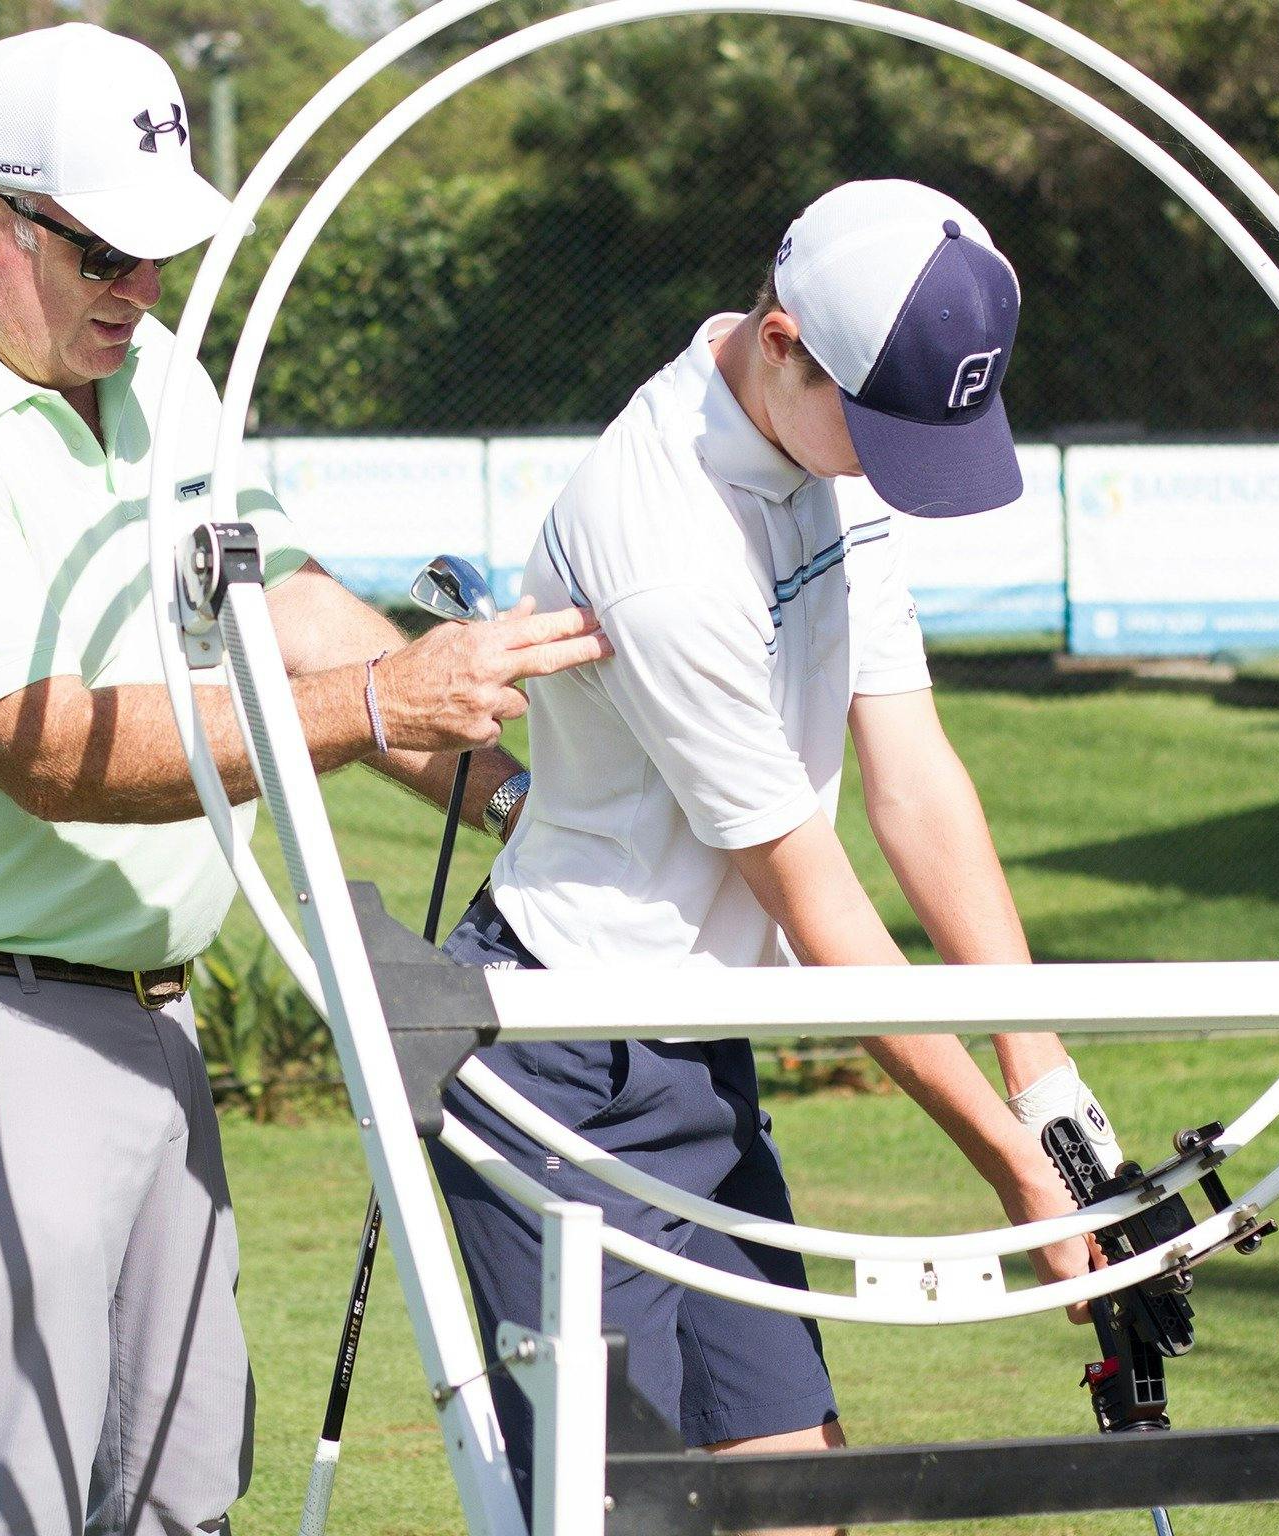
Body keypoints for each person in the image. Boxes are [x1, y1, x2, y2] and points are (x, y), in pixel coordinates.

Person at [0, 24, 605, 1536]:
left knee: (178, 1494)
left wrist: (517, 799)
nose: (141, 290)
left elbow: (278, 599)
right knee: (10, 1499)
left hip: (142, 1008)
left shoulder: (149, 370)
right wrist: (374, 702)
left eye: (160, 254)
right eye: (103, 255)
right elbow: (46, 748)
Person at [429, 179, 1126, 1514]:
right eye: (874, 430)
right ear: (782, 337)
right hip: (564, 1061)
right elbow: (816, 902)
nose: (882, 464)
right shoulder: (661, 540)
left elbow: (913, 784)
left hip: (700, 1046)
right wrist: (1010, 1167)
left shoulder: (824, 442)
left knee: (800, 1498)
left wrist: (1046, 1080)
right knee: (613, 1506)